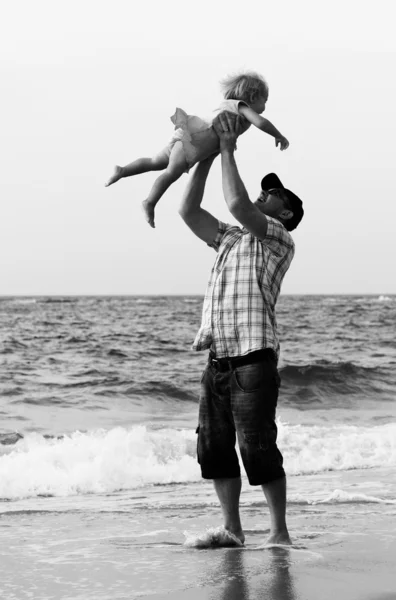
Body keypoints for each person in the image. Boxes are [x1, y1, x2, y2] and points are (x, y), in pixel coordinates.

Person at [178, 110, 304, 547]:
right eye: (264, 192)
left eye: (273, 195)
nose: (265, 196)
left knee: (258, 448)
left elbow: (237, 204)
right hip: (218, 360)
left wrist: (229, 146)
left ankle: (279, 533)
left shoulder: (278, 238)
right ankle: (232, 528)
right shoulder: (231, 237)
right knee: (213, 449)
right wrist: (207, 156)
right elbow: (189, 211)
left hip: (254, 359)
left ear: (284, 212)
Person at [105, 71, 289, 228]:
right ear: (253, 97)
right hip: (193, 143)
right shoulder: (241, 107)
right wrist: (278, 135)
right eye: (265, 101)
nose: (264, 108)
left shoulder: (228, 108)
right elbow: (261, 123)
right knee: (171, 172)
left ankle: (122, 170)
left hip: (189, 137)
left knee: (155, 162)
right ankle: (150, 202)